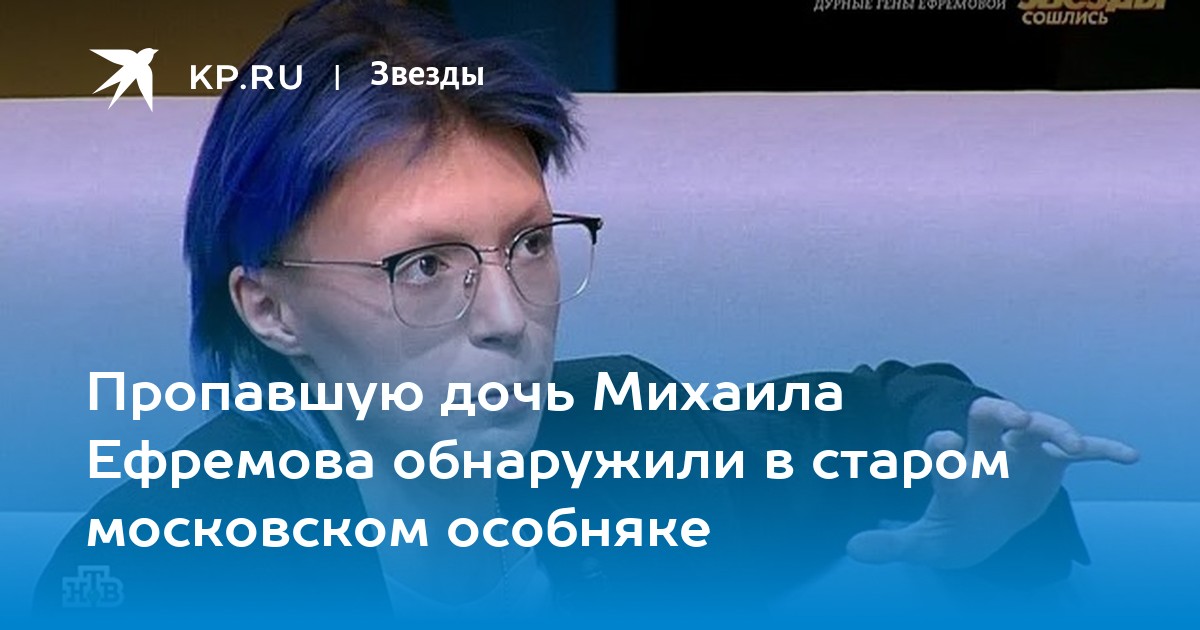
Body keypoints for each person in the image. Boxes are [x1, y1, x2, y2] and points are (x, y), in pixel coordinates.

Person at [36, 0, 1138, 621]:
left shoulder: (627, 434)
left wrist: (988, 515)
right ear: (270, 310)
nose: (508, 317)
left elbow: (891, 408)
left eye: (529, 245)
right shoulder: (166, 559)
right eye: (423, 266)